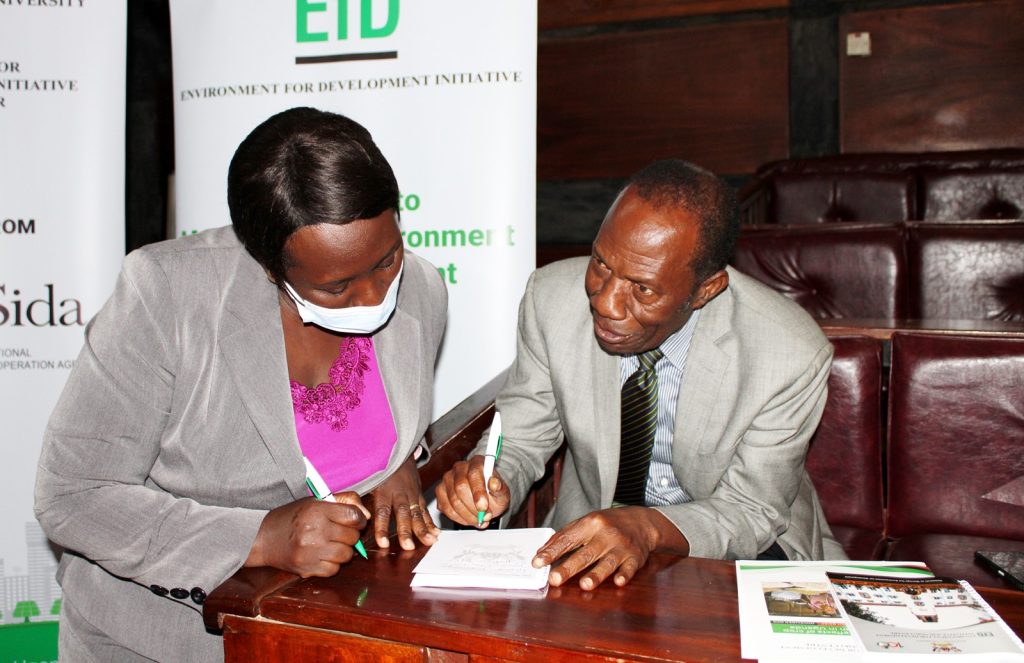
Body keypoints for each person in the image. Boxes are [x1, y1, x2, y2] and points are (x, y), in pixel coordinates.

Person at [34, 107, 445, 662]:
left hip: (325, 636)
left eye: (387, 259)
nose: (374, 298)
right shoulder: (168, 297)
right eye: (338, 285)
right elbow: (74, 494)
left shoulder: (421, 288)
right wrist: (259, 538)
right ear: (270, 266)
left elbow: (379, 420)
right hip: (163, 640)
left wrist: (399, 462)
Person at [436, 159, 845, 591]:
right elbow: (521, 438)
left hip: (738, 546)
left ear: (705, 290)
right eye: (601, 263)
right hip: (589, 532)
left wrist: (647, 528)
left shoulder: (788, 351)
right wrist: (489, 482)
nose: (607, 303)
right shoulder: (550, 301)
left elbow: (750, 509)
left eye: (643, 289)